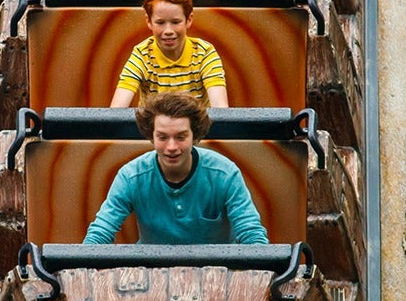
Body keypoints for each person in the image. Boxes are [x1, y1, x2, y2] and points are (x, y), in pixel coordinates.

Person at [83, 92, 270, 246]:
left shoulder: (225, 174)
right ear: (151, 136)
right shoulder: (131, 176)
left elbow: (251, 232)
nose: (171, 147)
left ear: (195, 135)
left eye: (181, 137)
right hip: (150, 273)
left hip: (217, 273)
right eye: (163, 137)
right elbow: (102, 230)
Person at [111, 0, 229, 108]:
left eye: (175, 22)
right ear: (149, 21)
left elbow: (220, 107)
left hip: (194, 127)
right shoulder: (142, 54)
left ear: (188, 20)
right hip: (154, 126)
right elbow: (118, 107)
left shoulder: (204, 53)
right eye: (160, 23)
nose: (168, 31)